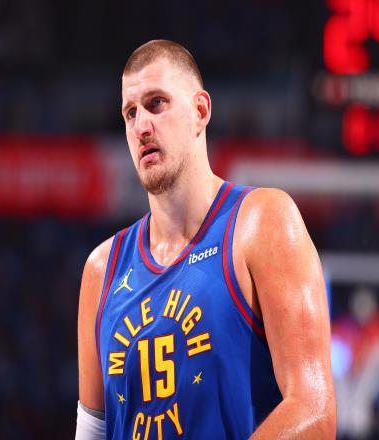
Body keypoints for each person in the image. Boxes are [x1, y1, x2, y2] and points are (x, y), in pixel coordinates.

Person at [76, 39, 336, 439]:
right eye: (130, 113)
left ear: (200, 111)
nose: (141, 126)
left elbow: (315, 412)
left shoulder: (262, 222)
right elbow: (93, 431)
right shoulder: (101, 269)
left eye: (157, 103)